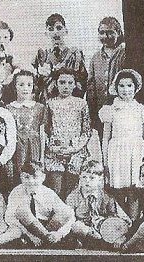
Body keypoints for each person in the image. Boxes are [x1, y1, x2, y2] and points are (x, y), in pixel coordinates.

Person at [99, 69, 144, 189]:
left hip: (136, 151)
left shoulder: (142, 109)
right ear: (116, 88)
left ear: (135, 87)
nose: (125, 89)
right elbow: (105, 138)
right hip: (117, 152)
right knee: (119, 187)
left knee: (135, 188)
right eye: (121, 86)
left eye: (129, 85)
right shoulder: (110, 109)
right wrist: (105, 161)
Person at [5, 161, 76, 248]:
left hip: (46, 227)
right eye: (26, 177)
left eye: (35, 177)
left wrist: (59, 234)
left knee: (67, 212)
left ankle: (47, 240)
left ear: (43, 177)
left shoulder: (48, 193)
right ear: (21, 177)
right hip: (26, 228)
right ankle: (46, 241)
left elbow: (70, 216)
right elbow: (8, 217)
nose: (31, 181)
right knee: (22, 210)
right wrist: (29, 235)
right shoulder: (17, 192)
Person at [44, 68, 91, 198]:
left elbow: (86, 130)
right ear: (56, 84)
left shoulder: (81, 103)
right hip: (55, 152)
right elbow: (46, 129)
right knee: (56, 189)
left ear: (75, 84)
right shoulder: (50, 103)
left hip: (76, 152)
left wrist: (74, 148)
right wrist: (53, 147)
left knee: (72, 190)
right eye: (62, 82)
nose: (66, 86)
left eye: (70, 83)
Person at [65, 161, 130, 250]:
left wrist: (119, 233)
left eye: (92, 178)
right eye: (84, 177)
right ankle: (97, 244)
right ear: (79, 177)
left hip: (103, 230)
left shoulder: (106, 197)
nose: (87, 181)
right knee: (77, 226)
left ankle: (102, 244)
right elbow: (67, 219)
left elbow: (123, 218)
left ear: (100, 179)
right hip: (84, 232)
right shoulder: (73, 197)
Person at [32, 13, 88, 102]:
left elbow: (83, 81)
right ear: (46, 33)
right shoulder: (41, 56)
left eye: (59, 28)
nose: (55, 32)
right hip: (46, 103)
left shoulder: (74, 55)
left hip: (69, 104)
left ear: (66, 31)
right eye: (51, 29)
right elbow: (34, 83)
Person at [86, 16, 126, 131]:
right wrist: (92, 113)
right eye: (102, 33)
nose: (105, 36)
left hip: (121, 112)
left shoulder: (125, 54)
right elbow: (91, 87)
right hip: (101, 113)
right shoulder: (95, 58)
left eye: (110, 33)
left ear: (118, 32)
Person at [6, 70, 46, 178]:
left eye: (29, 85)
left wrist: (41, 157)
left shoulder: (40, 108)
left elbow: (42, 133)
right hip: (16, 148)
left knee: (33, 175)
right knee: (17, 177)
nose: (25, 88)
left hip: (34, 147)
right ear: (15, 87)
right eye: (21, 85)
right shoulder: (8, 108)